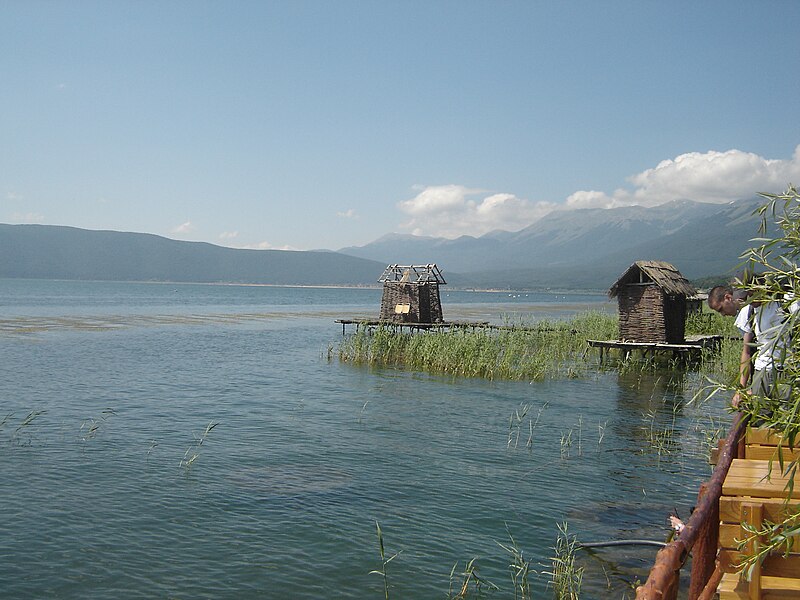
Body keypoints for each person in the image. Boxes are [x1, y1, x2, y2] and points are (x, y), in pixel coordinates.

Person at [708, 284, 798, 408]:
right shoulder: (749, 311)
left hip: (788, 368)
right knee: (761, 418)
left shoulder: (786, 301)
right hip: (763, 371)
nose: (722, 314)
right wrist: (743, 388)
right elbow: (747, 351)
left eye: (721, 309)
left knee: (787, 416)